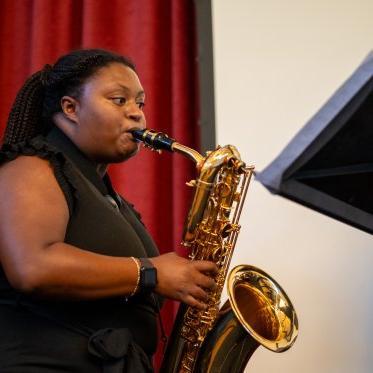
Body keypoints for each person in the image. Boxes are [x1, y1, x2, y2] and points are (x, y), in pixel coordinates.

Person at [0, 49, 217, 373]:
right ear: (70, 108)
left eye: (140, 103)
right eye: (119, 100)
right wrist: (151, 272)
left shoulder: (104, 195)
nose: (137, 115)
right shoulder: (31, 167)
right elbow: (32, 267)